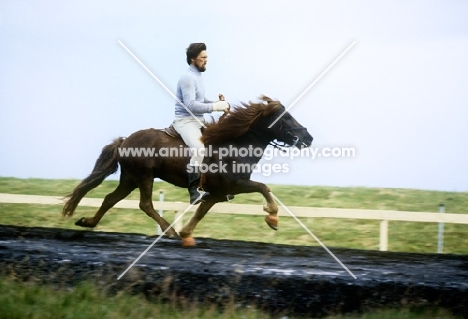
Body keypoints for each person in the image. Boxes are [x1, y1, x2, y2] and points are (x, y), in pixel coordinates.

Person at [173, 43, 229, 204]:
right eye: (202, 58)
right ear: (193, 59)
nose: (206, 60)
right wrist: (215, 107)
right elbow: (190, 105)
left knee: (219, 144)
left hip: (198, 120)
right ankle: (193, 191)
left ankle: (218, 187)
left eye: (206, 57)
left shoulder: (197, 76)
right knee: (199, 149)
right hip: (185, 121)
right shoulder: (187, 78)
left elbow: (201, 101)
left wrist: (218, 104)